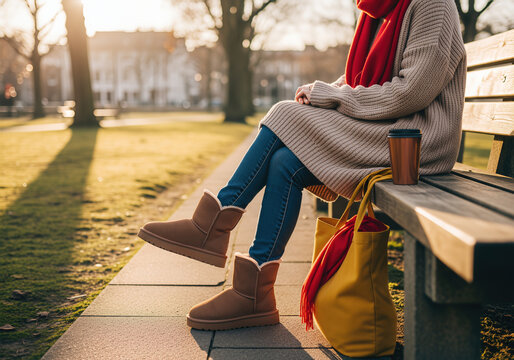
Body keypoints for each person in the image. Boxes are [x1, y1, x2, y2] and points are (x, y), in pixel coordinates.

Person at [138, 0, 466, 331]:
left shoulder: (431, 4)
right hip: (387, 130)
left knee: (284, 113)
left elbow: (412, 91)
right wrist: (328, 91)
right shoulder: (379, 8)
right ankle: (254, 294)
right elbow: (360, 79)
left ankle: (212, 224)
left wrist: (333, 96)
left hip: (417, 140)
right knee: (285, 162)